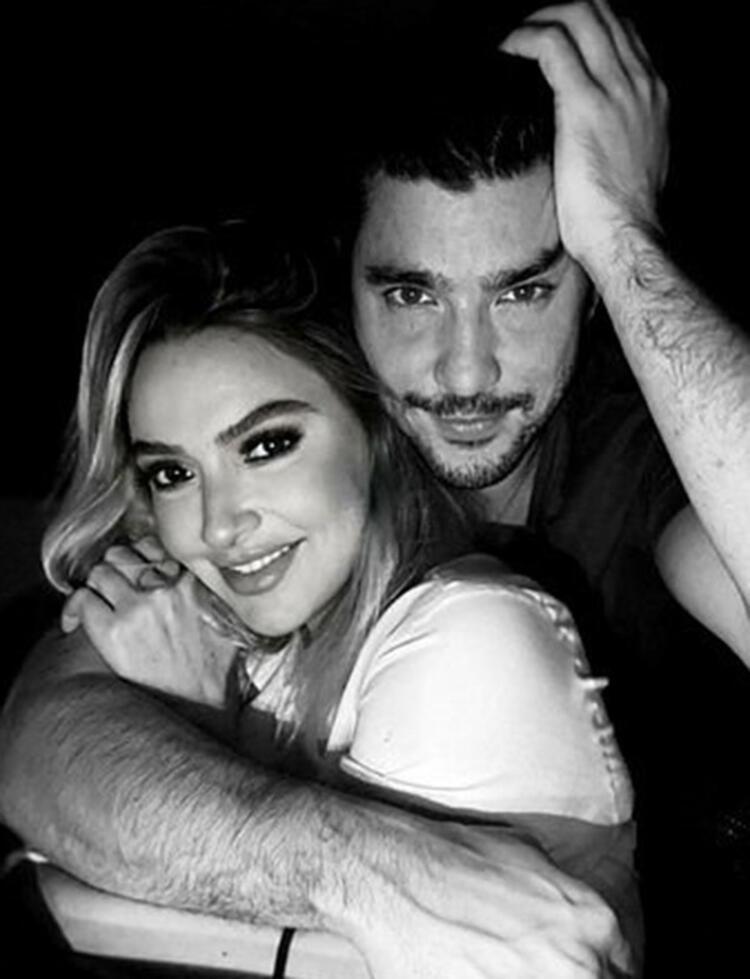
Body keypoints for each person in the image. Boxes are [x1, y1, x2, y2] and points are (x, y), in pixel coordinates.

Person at [1, 0, 748, 975]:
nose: (468, 370)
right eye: (410, 293)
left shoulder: (645, 453)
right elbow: (43, 738)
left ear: (593, 291)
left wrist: (624, 234)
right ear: (343, 290)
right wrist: (365, 864)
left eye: (525, 290)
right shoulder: (257, 464)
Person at [11, 221, 640, 974]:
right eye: (172, 474)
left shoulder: (471, 640)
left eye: (267, 445)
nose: (218, 525)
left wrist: (194, 730)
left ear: (373, 430)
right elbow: (31, 746)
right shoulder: (221, 622)